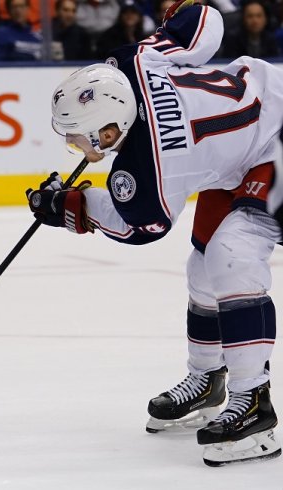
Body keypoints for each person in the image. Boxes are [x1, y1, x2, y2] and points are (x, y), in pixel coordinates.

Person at [26, 0, 283, 466]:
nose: (73, 146)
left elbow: (140, 225)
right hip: (250, 140)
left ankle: (255, 406)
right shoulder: (134, 63)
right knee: (204, 266)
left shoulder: (153, 163)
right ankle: (208, 380)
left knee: (232, 253)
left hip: (277, 142)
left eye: (78, 137)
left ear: (109, 131)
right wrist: (179, 11)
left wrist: (68, 205)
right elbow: (204, 22)